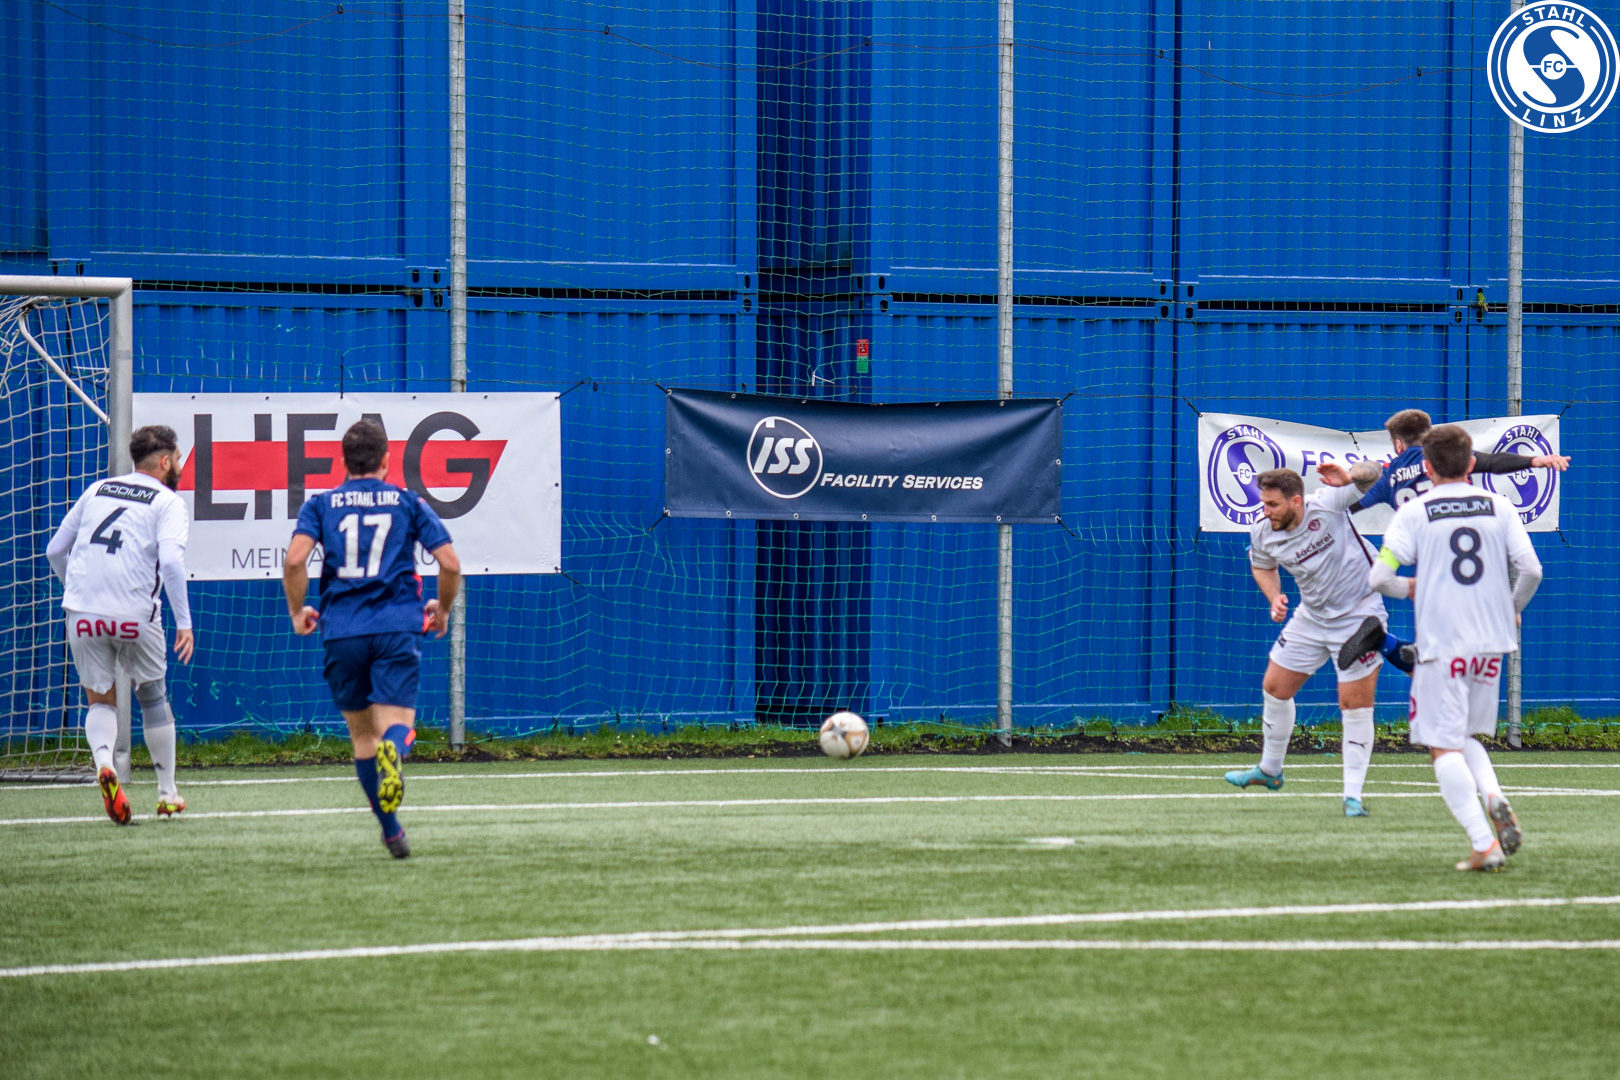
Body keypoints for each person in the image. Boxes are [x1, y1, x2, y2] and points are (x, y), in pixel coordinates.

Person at [282, 419, 460, 859]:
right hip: (397, 625)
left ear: (343, 461)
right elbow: (451, 564)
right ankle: (394, 750)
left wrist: (298, 611)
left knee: (363, 739)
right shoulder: (407, 501)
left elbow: (294, 561)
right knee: (397, 724)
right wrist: (443, 609)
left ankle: (392, 831)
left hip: (342, 629)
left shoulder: (321, 504)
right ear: (387, 460)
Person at [1369, 424, 1541, 871]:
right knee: (1462, 735)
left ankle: (1484, 844)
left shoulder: (1414, 512)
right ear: (1471, 464)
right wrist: (1512, 607)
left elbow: (1380, 577)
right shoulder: (1499, 505)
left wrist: (1410, 586)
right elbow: (1532, 570)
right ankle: (1493, 795)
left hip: (1443, 644)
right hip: (1491, 644)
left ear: (1426, 467)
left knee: (1441, 745)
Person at [1320, 408, 1568, 674]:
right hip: (1476, 568)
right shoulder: (1453, 465)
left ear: (1398, 444)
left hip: (1431, 568)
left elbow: (1350, 508)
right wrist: (1534, 461)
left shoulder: (1392, 476)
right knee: (1459, 662)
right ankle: (1399, 647)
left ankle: (1391, 644)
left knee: (1437, 661)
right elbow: (1494, 463)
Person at [46, 425, 194, 824]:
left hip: (82, 611)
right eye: (179, 459)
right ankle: (167, 794)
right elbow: (172, 562)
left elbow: (55, 549)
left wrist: (78, 592)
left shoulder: (97, 489)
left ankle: (104, 765)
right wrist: (184, 622)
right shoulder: (168, 502)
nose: (180, 466)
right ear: (165, 462)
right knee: (153, 698)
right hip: (134, 614)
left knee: (99, 699)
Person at [1224, 468, 1383, 816]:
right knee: (1275, 687)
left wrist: (1352, 475)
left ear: (1296, 501)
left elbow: (1374, 474)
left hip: (1359, 614)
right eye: (1263, 503)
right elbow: (1263, 566)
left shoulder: (1328, 504)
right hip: (1312, 616)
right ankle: (1270, 771)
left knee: (1354, 705)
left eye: (1273, 504)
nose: (1266, 511)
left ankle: (1352, 797)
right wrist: (1274, 597)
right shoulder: (1263, 530)